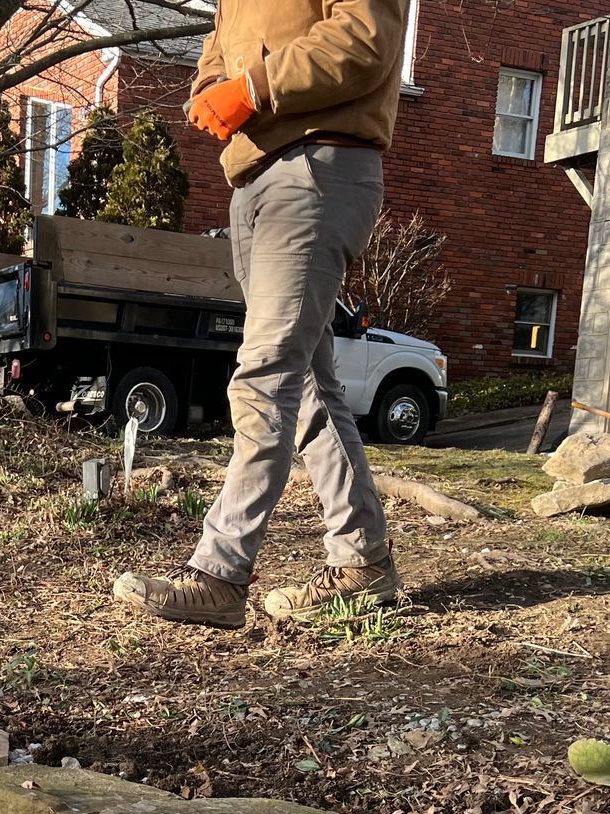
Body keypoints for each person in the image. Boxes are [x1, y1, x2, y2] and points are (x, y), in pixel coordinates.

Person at [112, 0, 409, 629]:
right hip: (253, 177)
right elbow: (216, 60)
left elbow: (365, 38)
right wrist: (213, 89)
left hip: (318, 165)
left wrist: (254, 86)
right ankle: (364, 563)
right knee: (306, 384)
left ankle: (219, 574)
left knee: (267, 374)